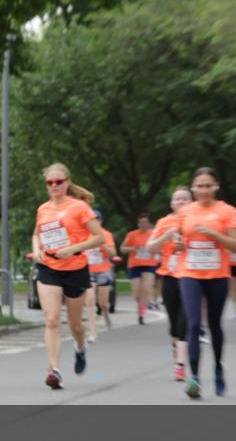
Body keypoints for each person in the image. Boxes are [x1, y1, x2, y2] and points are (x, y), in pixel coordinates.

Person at [31, 163, 106, 390]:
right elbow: (36, 234)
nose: (54, 186)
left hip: (75, 268)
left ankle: (80, 346)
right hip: (50, 267)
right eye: (49, 183)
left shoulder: (80, 207)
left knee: (75, 324)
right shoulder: (43, 209)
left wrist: (74, 248)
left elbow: (99, 238)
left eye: (58, 182)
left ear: (67, 182)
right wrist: (36, 250)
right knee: (52, 320)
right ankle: (54, 370)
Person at [176, 167, 236, 399]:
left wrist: (213, 234)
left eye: (208, 185)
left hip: (217, 275)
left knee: (214, 324)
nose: (203, 190)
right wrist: (178, 244)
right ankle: (194, 378)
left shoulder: (228, 212)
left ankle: (218, 368)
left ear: (216, 186)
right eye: (199, 186)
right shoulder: (185, 212)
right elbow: (179, 238)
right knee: (193, 324)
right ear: (193, 188)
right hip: (190, 273)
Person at [147, 186, 193, 382]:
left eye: (185, 199)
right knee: (174, 323)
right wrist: (167, 235)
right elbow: (149, 248)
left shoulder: (196, 220)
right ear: (172, 203)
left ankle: (180, 365)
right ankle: (176, 345)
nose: (181, 202)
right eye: (177, 199)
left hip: (191, 275)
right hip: (169, 275)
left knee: (184, 321)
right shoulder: (163, 222)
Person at [83, 209, 116, 343]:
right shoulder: (84, 234)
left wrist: (102, 245)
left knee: (103, 303)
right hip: (88, 271)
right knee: (90, 301)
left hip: (103, 270)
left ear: (100, 221)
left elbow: (112, 254)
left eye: (97, 219)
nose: (94, 222)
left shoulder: (106, 234)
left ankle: (106, 315)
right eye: (92, 220)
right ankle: (93, 332)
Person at [121, 214, 158, 325]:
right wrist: (133, 248)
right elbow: (122, 248)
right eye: (141, 222)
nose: (143, 224)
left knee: (147, 288)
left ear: (149, 223)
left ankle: (141, 314)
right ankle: (141, 305)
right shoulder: (132, 235)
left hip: (149, 264)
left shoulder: (153, 234)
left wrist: (153, 249)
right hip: (135, 265)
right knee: (136, 294)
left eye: (145, 222)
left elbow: (160, 247)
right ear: (138, 224)